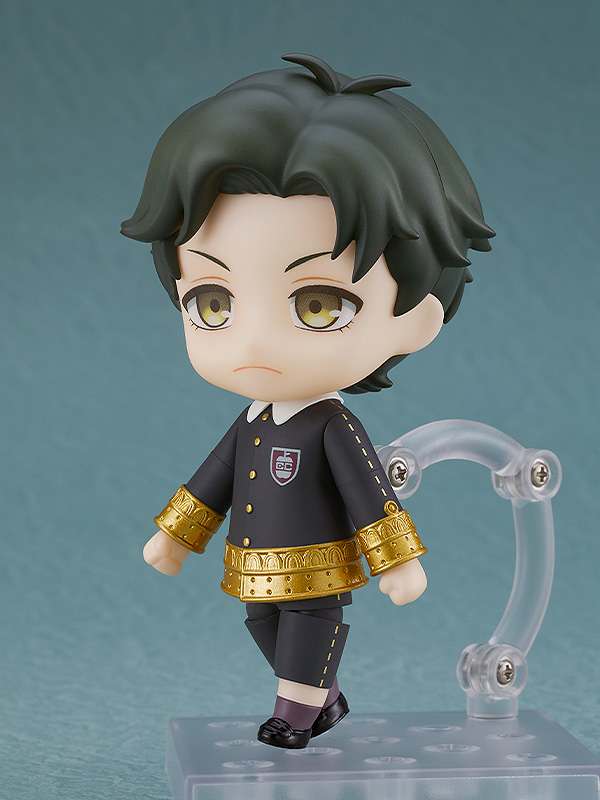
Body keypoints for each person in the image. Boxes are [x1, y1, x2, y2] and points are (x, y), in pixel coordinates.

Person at [121, 53, 494, 749]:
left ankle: (293, 713)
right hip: (254, 565)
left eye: (318, 305)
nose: (255, 339)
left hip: (319, 563)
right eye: (212, 301)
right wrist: (175, 536)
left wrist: (398, 562)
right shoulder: (252, 419)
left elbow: (369, 492)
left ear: (414, 320)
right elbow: (212, 480)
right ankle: (321, 697)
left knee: (307, 630)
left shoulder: (331, 425)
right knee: (262, 624)